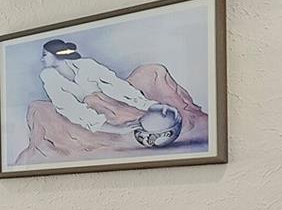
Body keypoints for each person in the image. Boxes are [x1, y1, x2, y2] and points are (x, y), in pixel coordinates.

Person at [15, 39, 208, 164]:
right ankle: (131, 131)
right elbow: (71, 109)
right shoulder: (49, 76)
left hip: (116, 104)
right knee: (40, 110)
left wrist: (147, 104)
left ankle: (154, 124)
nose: (42, 59)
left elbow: (115, 86)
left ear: (57, 56)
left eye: (45, 55)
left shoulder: (87, 66)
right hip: (92, 118)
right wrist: (115, 129)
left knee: (152, 71)